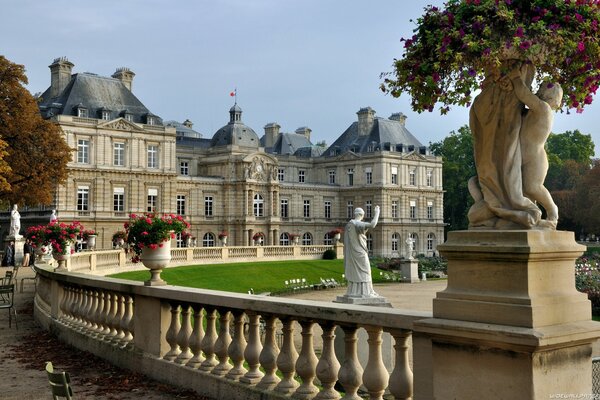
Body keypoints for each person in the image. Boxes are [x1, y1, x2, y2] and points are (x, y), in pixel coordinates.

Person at [510, 66, 562, 229]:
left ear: (550, 95)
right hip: (524, 156)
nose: (538, 89)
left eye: (542, 88)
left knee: (533, 187)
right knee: (525, 191)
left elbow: (523, 94)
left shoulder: (543, 108)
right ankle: (532, 218)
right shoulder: (535, 110)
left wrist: (516, 78)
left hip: (535, 158)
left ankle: (553, 211)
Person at [343, 205, 380, 298]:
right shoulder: (357, 224)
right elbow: (373, 224)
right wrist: (377, 212)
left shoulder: (349, 224)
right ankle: (366, 292)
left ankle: (355, 291)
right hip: (360, 253)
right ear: (361, 215)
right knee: (366, 271)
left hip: (353, 253)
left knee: (356, 271)